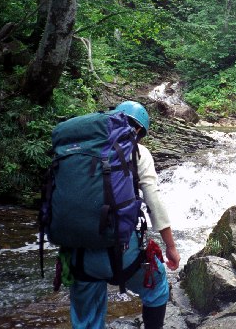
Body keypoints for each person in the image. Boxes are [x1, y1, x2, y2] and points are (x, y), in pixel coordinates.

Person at [68, 101, 181, 329]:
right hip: (121, 253)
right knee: (157, 285)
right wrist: (170, 246)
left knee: (87, 318)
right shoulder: (138, 151)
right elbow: (153, 200)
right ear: (138, 130)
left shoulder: (78, 148)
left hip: (79, 253)